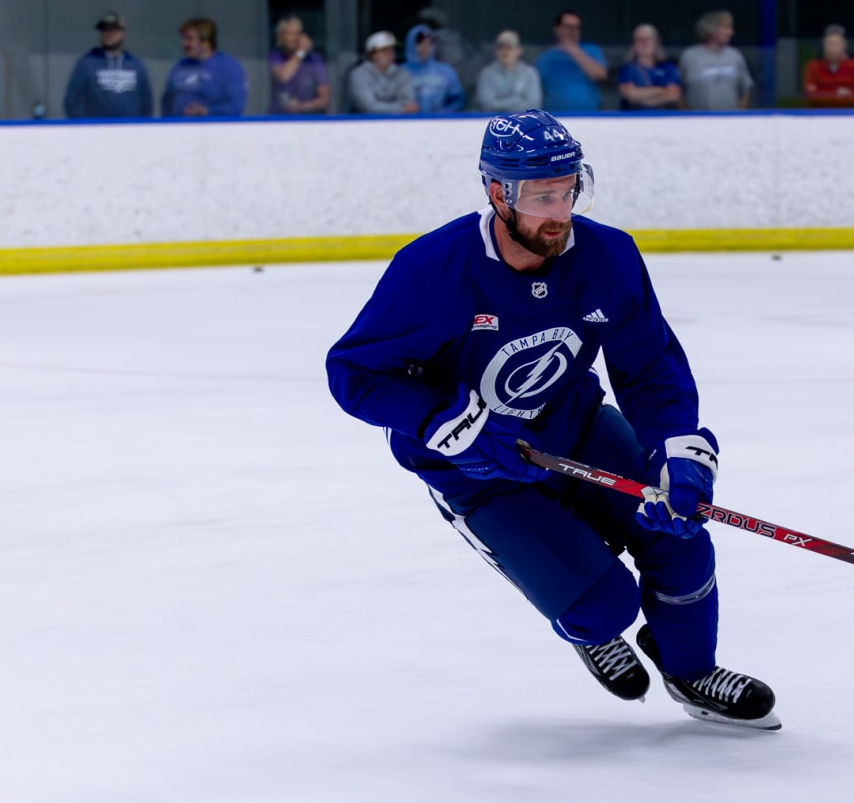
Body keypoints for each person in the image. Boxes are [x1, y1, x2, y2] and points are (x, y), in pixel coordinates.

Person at [325, 109, 780, 730]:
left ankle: (692, 670)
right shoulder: (433, 270)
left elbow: (650, 368)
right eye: (543, 197)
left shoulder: (608, 256)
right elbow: (355, 372)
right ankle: (591, 625)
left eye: (570, 191)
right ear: (498, 193)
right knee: (603, 606)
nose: (560, 212)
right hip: (475, 469)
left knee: (680, 534)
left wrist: (676, 449)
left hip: (577, 428)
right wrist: (444, 420)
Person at [62, 11, 153, 119]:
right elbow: (71, 101)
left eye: (113, 30)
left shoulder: (136, 66)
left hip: (130, 128)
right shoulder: (87, 63)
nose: (108, 34)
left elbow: (146, 103)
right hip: (96, 128)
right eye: (104, 30)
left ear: (123, 33)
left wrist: (140, 126)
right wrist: (85, 125)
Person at [161, 17, 247, 117]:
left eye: (189, 39)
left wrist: (207, 111)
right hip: (178, 125)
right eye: (183, 39)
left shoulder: (229, 67)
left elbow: (236, 105)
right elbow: (167, 101)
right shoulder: (180, 66)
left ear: (205, 42)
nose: (184, 44)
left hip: (213, 125)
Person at [678, 10, 753, 111]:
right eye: (726, 27)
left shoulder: (735, 56)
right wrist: (686, 115)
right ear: (711, 28)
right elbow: (678, 90)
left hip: (730, 117)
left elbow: (746, 89)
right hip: (698, 118)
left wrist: (739, 114)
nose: (731, 33)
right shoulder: (690, 56)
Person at [534, 11, 607, 113]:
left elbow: (600, 75)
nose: (573, 31)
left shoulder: (592, 50)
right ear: (557, 29)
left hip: (589, 116)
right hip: (555, 116)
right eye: (568, 26)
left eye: (576, 27)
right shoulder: (544, 58)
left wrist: (574, 50)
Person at [268, 15, 330, 114]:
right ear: (281, 36)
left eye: (297, 34)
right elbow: (283, 76)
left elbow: (324, 99)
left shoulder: (314, 59)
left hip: (309, 117)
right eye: (289, 34)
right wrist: (300, 53)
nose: (294, 38)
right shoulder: (275, 56)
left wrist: (302, 107)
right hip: (280, 117)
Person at [348, 30, 418, 114]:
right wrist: (399, 109)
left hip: (398, 121)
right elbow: (368, 106)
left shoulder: (402, 74)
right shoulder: (359, 74)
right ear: (373, 55)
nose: (390, 54)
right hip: (366, 121)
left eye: (392, 50)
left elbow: (408, 103)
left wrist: (399, 108)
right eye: (385, 51)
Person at [616, 24, 682, 110]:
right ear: (634, 44)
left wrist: (644, 97)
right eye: (640, 40)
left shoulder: (668, 67)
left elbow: (674, 95)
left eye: (648, 39)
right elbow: (630, 94)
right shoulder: (627, 69)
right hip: (635, 116)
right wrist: (659, 90)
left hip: (664, 116)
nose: (644, 43)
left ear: (656, 42)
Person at [404, 23, 466, 114]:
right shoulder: (400, 72)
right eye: (420, 43)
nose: (425, 48)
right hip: (408, 121)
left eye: (428, 43)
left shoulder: (446, 71)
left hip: (441, 121)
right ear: (411, 45)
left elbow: (457, 100)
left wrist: (441, 115)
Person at [475, 30, 542, 113]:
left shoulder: (530, 73)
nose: (505, 51)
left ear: (519, 50)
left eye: (509, 48)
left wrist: (501, 105)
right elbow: (487, 104)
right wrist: (515, 100)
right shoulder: (487, 74)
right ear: (496, 51)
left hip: (523, 119)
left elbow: (534, 104)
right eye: (501, 48)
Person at [802, 24, 854, 106]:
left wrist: (822, 93)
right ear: (823, 45)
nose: (832, 47)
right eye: (829, 43)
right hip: (820, 113)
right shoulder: (813, 66)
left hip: (848, 113)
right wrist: (839, 95)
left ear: (844, 44)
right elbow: (811, 96)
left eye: (836, 43)